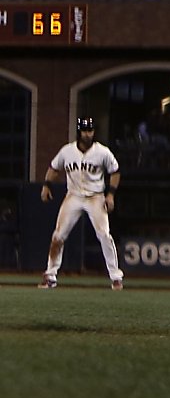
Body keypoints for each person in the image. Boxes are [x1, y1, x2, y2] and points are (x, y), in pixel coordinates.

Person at [40, 116, 124, 291]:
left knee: (104, 235)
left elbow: (115, 172)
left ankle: (116, 277)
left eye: (91, 130)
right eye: (85, 130)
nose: (88, 134)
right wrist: (47, 185)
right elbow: (54, 168)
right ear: (79, 132)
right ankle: (50, 275)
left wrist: (111, 195)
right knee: (58, 235)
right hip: (74, 196)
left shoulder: (102, 152)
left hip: (96, 196)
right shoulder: (67, 151)